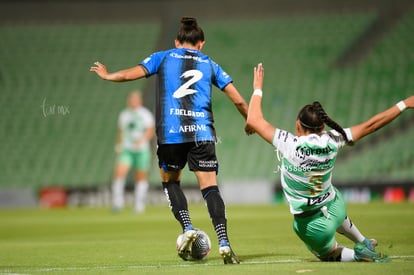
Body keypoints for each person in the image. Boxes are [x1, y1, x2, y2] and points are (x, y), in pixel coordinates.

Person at [90, 17, 254, 264]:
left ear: (176, 42)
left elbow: (128, 75)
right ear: (201, 44)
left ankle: (187, 228)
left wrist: (107, 75)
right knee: (210, 189)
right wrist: (248, 120)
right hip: (202, 133)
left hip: (171, 134)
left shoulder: (162, 57)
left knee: (171, 183)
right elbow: (239, 100)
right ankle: (224, 242)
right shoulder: (209, 63)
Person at [246, 63, 413, 262]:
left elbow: (254, 119)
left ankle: (358, 255)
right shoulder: (335, 139)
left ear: (298, 125)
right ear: (323, 125)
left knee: (328, 254)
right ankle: (363, 240)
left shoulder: (290, 144)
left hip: (312, 224)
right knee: (332, 198)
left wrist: (257, 87)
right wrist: (404, 104)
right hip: (336, 206)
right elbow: (372, 125)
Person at [112, 91, 155, 213]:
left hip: (142, 150)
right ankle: (117, 203)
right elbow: (121, 132)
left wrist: (142, 140)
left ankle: (139, 205)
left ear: (139, 101)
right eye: (131, 99)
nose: (133, 101)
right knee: (119, 173)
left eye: (135, 99)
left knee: (140, 177)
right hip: (126, 149)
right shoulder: (124, 114)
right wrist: (118, 145)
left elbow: (150, 131)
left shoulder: (145, 114)